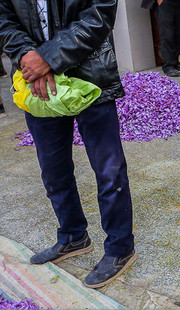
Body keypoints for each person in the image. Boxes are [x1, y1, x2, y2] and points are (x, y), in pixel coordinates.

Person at [0, 0, 136, 288]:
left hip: (90, 75)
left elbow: (99, 15)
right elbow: (4, 18)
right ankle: (74, 236)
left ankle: (120, 248)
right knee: (53, 169)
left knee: (109, 170)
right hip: (37, 81)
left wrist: (48, 58)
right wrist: (27, 55)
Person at [142, 0, 180, 77]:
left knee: (178, 34)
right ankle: (168, 66)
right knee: (167, 34)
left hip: (177, 2)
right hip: (164, 2)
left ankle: (175, 65)